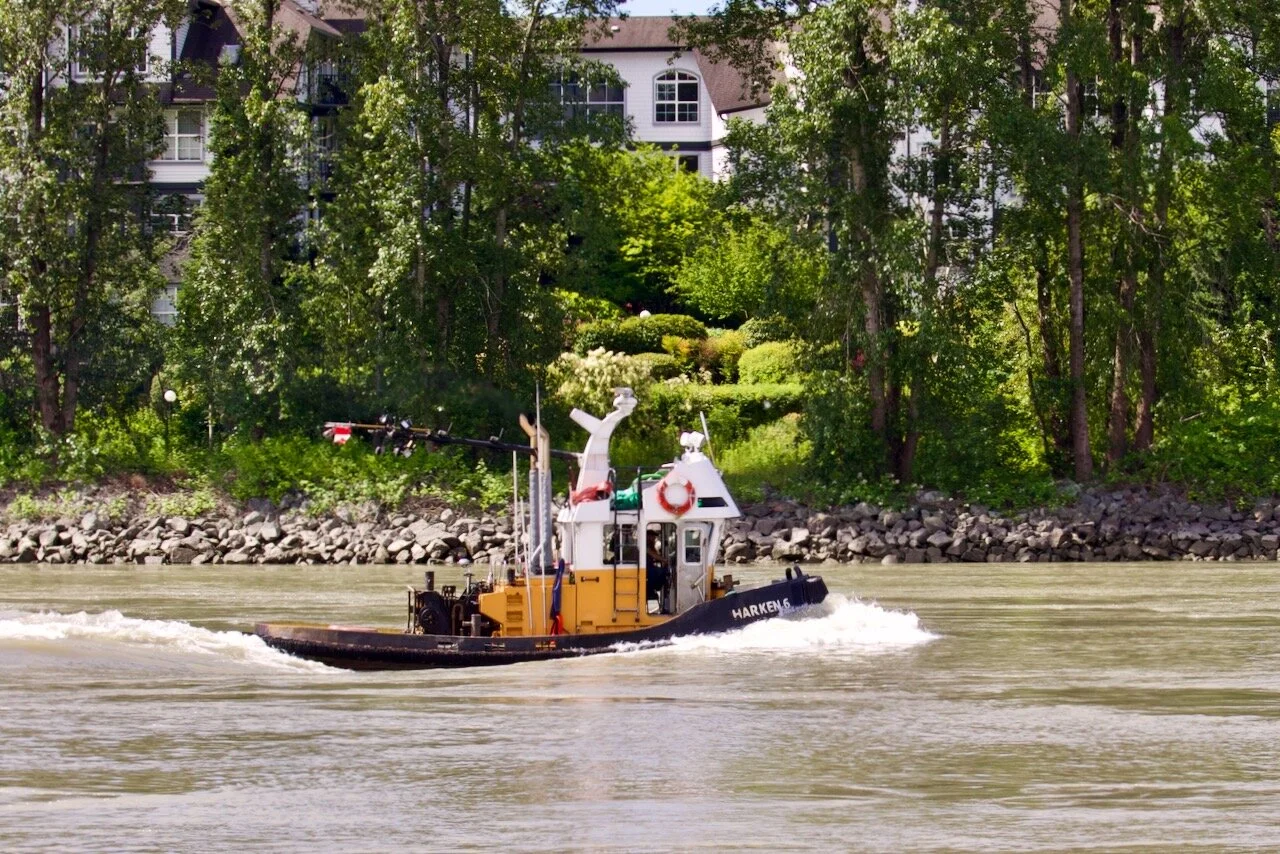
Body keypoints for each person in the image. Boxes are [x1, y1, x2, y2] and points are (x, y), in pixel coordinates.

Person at [645, 530, 669, 611]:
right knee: (660, 572)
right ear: (648, 536)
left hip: (649, 566)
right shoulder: (644, 544)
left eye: (655, 537)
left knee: (662, 572)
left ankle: (654, 589)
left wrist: (662, 559)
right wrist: (664, 560)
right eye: (653, 536)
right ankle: (651, 590)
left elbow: (656, 554)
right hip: (646, 568)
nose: (654, 538)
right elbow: (653, 554)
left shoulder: (651, 545)